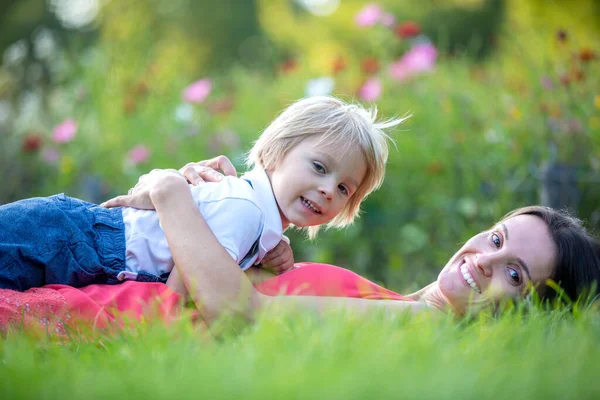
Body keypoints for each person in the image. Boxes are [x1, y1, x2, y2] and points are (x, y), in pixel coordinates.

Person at [4, 158, 596, 336]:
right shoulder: (397, 306)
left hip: (79, 322)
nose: (482, 261)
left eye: (514, 275)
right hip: (84, 279)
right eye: (495, 239)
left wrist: (169, 194)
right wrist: (221, 211)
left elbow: (238, 313)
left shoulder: (416, 323)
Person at [0, 97, 405, 292]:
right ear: (276, 151)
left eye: (343, 188)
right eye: (319, 167)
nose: (326, 189)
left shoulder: (258, 225)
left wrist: (267, 253)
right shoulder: (243, 209)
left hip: (77, 243)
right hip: (68, 238)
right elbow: (188, 285)